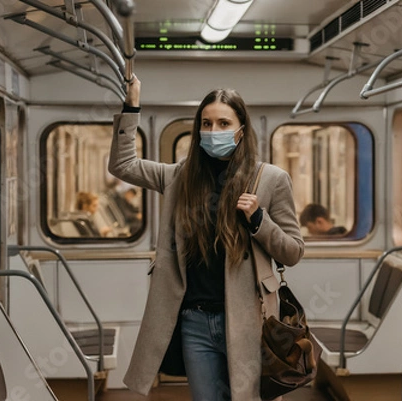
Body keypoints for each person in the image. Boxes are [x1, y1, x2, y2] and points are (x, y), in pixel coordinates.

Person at [109, 75, 304, 401]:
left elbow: (293, 252)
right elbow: (123, 164)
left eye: (224, 123)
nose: (214, 132)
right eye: (207, 123)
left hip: (248, 319)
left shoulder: (270, 180)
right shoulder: (179, 177)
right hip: (195, 321)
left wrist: (259, 220)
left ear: (241, 128)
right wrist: (131, 105)